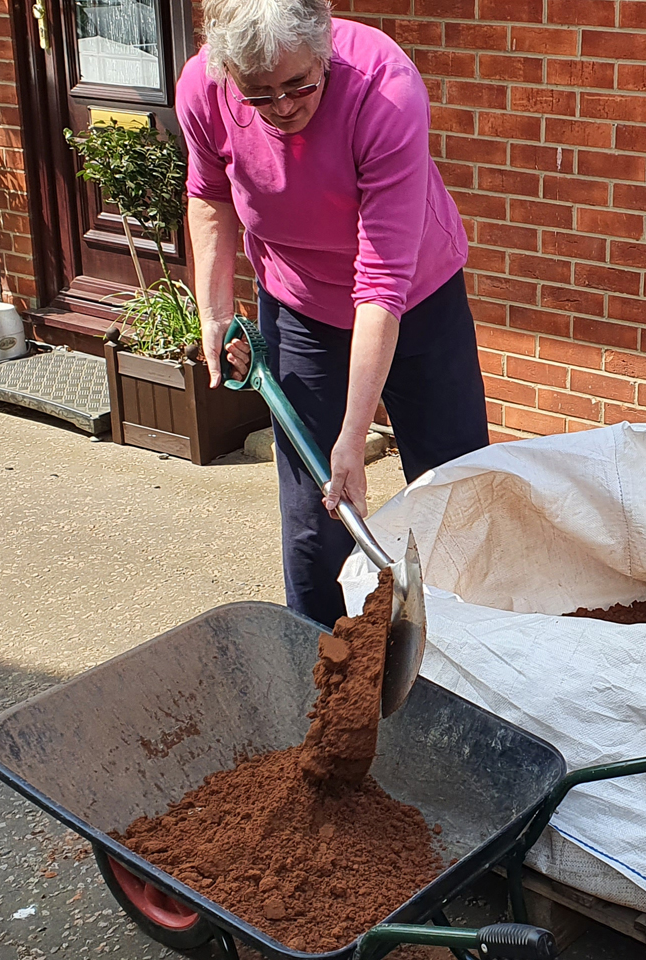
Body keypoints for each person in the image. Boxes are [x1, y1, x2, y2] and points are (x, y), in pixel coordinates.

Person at [176, 0, 488, 628]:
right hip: (299, 305)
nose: (282, 106)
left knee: (456, 491)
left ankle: (470, 645)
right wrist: (214, 312)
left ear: (323, 49)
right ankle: (320, 657)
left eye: (298, 84)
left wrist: (353, 436)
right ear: (228, 72)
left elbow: (381, 281)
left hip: (416, 301)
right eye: (258, 94)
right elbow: (209, 197)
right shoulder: (203, 89)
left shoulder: (384, 87)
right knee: (314, 513)